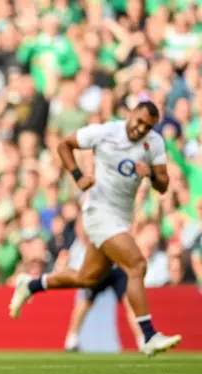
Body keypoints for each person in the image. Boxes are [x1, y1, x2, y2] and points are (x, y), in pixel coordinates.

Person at [9, 101, 182, 356]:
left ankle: (32, 285)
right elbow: (63, 144)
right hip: (99, 214)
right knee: (137, 265)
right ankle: (148, 335)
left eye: (147, 126)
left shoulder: (154, 143)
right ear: (131, 113)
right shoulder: (105, 132)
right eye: (139, 121)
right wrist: (78, 176)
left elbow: (164, 185)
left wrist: (152, 175)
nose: (140, 128)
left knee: (86, 278)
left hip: (121, 219)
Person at [54, 213, 144, 352]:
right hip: (97, 265)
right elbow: (82, 232)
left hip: (115, 265)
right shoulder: (91, 210)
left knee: (130, 301)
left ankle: (142, 340)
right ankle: (71, 339)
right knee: (85, 301)